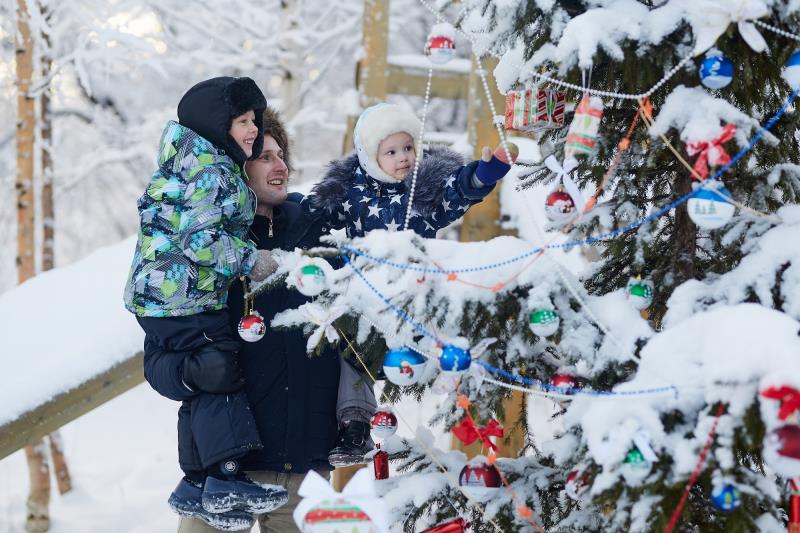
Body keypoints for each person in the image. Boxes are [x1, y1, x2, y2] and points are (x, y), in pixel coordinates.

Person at [302, 102, 517, 466]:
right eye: (391, 151)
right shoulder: (352, 192)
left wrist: (485, 172)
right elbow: (315, 215)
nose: (403, 157)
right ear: (371, 157)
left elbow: (458, 191)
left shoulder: (424, 189)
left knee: (440, 349)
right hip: (367, 296)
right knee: (353, 355)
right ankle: (355, 425)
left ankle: (462, 405)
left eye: (408, 148)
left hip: (417, 293)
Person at [123, 77, 288, 531]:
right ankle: (225, 475)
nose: (252, 129)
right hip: (184, 296)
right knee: (220, 373)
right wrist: (251, 259)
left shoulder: (191, 161)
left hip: (162, 297)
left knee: (202, 389)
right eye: (242, 120)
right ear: (218, 125)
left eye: (254, 119)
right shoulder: (213, 171)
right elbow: (199, 239)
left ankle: (195, 481)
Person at [175, 106, 342, 532]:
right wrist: (193, 372)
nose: (280, 165)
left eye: (282, 154)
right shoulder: (207, 248)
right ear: (235, 169)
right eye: (265, 156)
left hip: (303, 471)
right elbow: (161, 353)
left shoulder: (321, 237)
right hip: (222, 475)